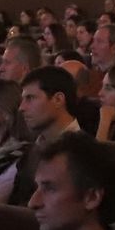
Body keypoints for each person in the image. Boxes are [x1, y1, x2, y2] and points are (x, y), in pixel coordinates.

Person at [8, 66, 83, 205]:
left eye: (30, 98)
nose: (21, 108)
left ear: (58, 100)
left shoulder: (84, 153)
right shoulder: (30, 150)